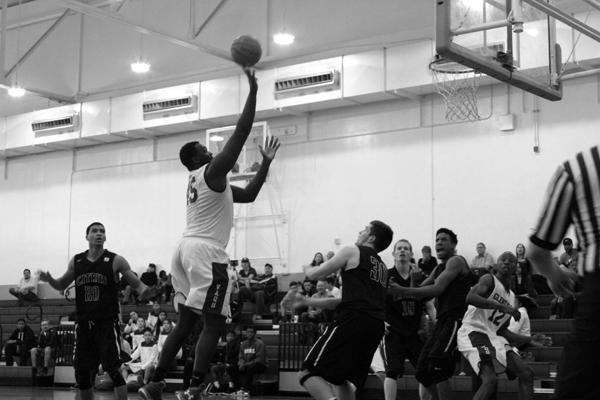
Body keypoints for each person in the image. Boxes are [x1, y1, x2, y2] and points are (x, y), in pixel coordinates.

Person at [139, 68, 281, 400]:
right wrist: (253, 91)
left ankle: (155, 382)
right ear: (195, 159)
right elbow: (243, 130)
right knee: (215, 325)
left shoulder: (207, 182)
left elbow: (248, 195)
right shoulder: (210, 172)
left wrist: (266, 163)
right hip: (205, 252)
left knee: (186, 324)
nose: (210, 150)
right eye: (204, 149)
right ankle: (193, 388)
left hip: (185, 249)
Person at [38, 221, 153, 400]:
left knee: (113, 370)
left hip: (106, 322)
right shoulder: (76, 261)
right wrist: (50, 279)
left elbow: (138, 285)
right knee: (82, 373)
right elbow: (61, 284)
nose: (99, 234)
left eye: (102, 231)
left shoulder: (116, 260)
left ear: (105, 237)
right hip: (83, 323)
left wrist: (147, 290)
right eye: (94, 231)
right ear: (87, 237)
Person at [527, 145, 600, 400]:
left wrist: (553, 274)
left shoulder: (577, 169)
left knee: (574, 389)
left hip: (597, 293)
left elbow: (536, 251)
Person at [298, 220, 393, 400]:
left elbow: (315, 274)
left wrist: (307, 268)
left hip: (353, 320)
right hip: (375, 326)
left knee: (307, 372)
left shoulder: (352, 251)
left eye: (364, 229)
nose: (360, 231)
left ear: (371, 237)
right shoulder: (383, 268)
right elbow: (349, 299)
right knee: (341, 380)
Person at [388, 228, 474, 400]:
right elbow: (421, 294)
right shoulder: (438, 268)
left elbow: (437, 288)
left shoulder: (456, 261)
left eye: (444, 239)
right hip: (443, 322)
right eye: (437, 240)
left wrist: (402, 290)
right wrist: (412, 280)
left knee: (437, 366)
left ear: (454, 244)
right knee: (421, 372)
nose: (439, 243)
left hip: (457, 319)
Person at [457, 251, 551, 400]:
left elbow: (502, 331)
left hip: (493, 336)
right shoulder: (489, 279)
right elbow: (470, 297)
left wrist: (529, 339)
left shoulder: (512, 297)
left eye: (511, 261)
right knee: (490, 380)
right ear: (496, 264)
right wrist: (500, 307)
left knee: (526, 373)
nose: (507, 262)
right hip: (474, 331)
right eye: (503, 259)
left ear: (516, 268)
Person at [237, 326, 267, 394]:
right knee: (231, 368)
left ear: (255, 333)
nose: (249, 333)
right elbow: (240, 357)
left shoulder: (260, 343)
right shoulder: (243, 344)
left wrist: (245, 365)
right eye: (248, 332)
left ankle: (246, 389)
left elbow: (259, 359)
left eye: (251, 332)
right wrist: (241, 363)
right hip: (246, 364)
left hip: (260, 365)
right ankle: (238, 387)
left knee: (250, 368)